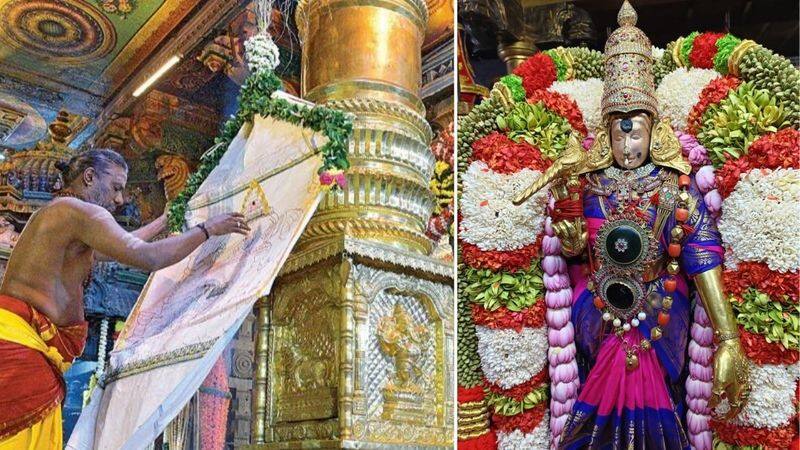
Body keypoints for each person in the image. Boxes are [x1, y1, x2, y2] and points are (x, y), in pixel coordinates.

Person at [514, 2, 750, 448]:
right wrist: (572, 247)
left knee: (657, 395)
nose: (627, 144)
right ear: (605, 132)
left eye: (635, 133)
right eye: (618, 133)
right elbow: (577, 251)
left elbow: (701, 255)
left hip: (659, 315)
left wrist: (729, 339)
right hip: (598, 312)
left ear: (654, 131)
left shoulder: (675, 187)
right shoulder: (587, 183)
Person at [0, 149, 250, 449]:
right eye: (116, 187)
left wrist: (163, 220)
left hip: (21, 345)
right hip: (22, 352)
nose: (120, 199)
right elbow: (146, 256)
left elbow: (122, 247)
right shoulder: (79, 212)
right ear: (89, 177)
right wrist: (208, 229)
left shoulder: (61, 214)